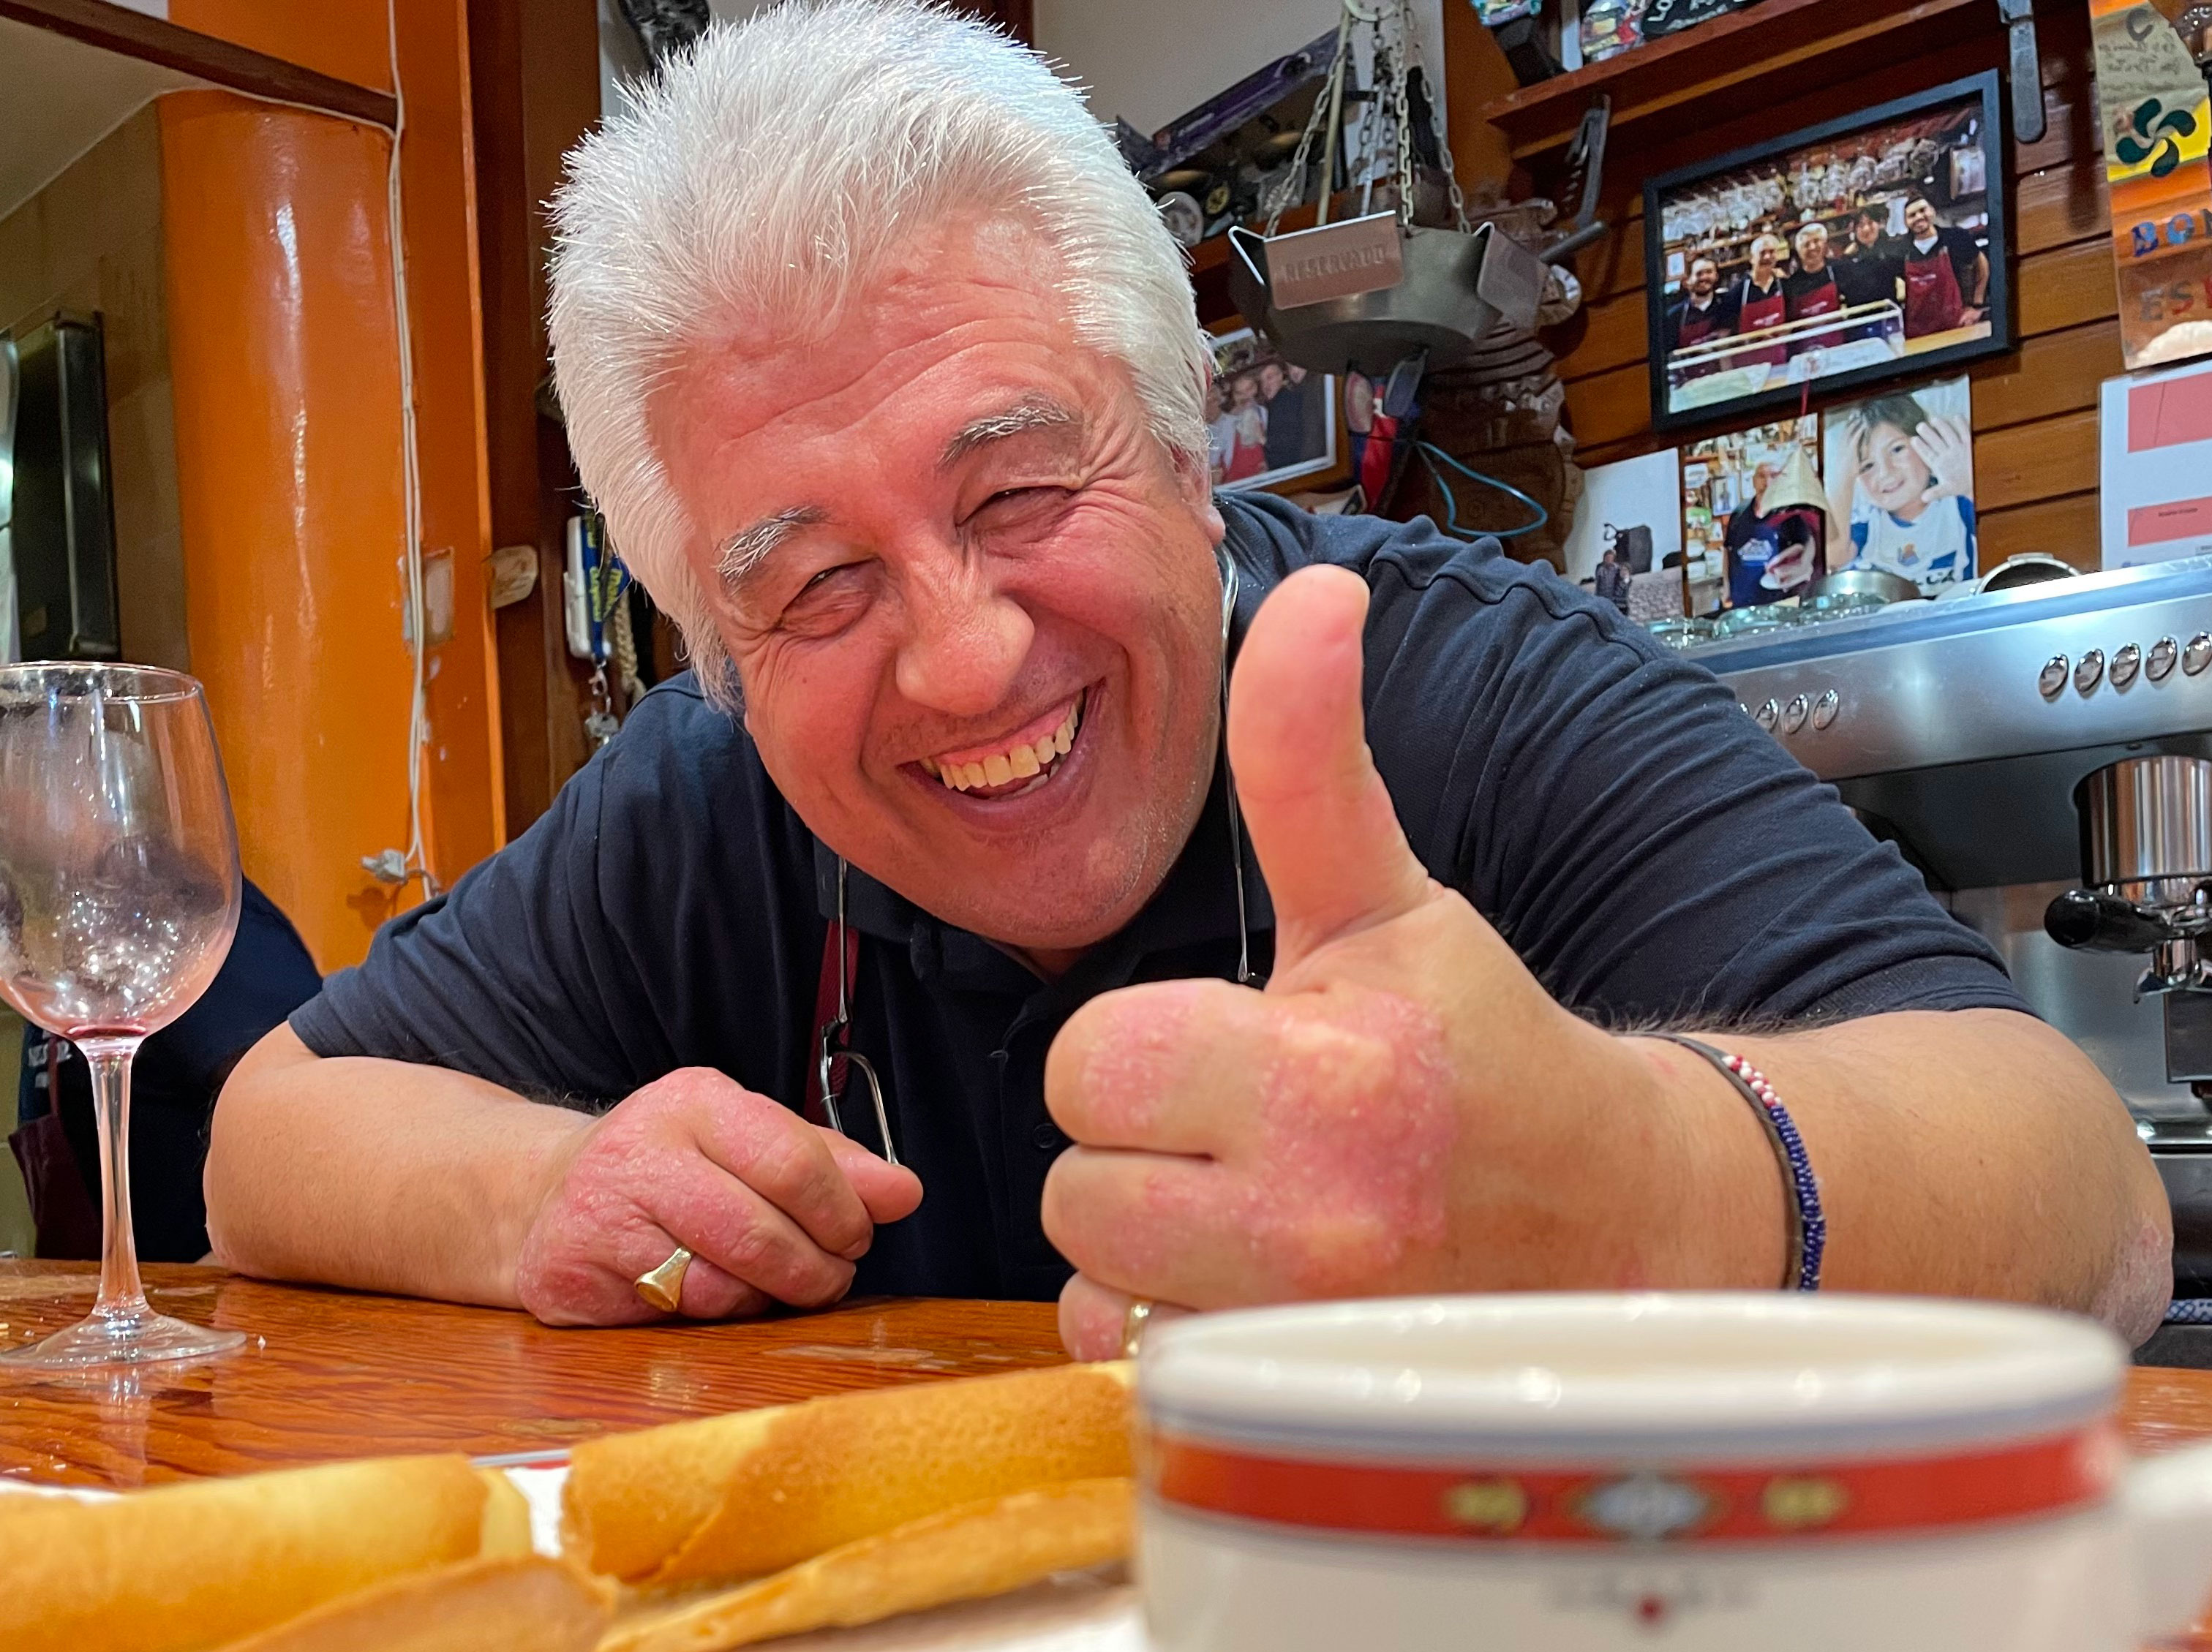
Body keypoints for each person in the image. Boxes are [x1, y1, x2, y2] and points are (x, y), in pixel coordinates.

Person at [203, 0, 2170, 1354]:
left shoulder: (1457, 686)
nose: (964, 655)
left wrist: (1651, 1187)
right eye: (812, 586)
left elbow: (2089, 1199)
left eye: (1018, 488)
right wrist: (552, 1192)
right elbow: (268, 1134)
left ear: (1182, 449)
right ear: (711, 651)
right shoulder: (706, 792)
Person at [14, 879, 319, 1261]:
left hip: (202, 1292)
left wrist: (212, 1280)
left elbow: (308, 1129)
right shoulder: (66, 928)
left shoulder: (198, 921)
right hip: (101, 1291)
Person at [1820, 393, 1976, 589]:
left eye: (1897, 450)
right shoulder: (1868, 525)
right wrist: (1842, 481)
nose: (1886, 472)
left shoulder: (1957, 505)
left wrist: (1968, 486)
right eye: (1867, 466)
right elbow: (1834, 557)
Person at [1900, 195, 1987, 339]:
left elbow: (1981, 264)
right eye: (1912, 215)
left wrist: (1976, 305)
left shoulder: (1956, 237)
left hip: (1958, 326)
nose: (1919, 217)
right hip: (1918, 333)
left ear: (1933, 211)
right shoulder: (1902, 251)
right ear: (1906, 222)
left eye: (1923, 210)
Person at [1733, 233, 1791, 370]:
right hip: (1751, 362)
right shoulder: (1738, 291)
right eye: (1762, 253)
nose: (1767, 257)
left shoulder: (1783, 284)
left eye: (1772, 252)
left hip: (1781, 356)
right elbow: (1730, 333)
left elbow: (1791, 318)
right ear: (1752, 258)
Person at [1834, 208, 1901, 312]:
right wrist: (1845, 256)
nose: (1866, 229)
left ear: (1879, 224)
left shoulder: (1891, 252)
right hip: (1860, 317)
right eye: (1860, 225)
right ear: (1854, 231)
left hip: (1889, 313)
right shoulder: (1846, 260)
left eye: (1870, 223)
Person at [1663, 255, 1733, 355]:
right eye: (1699, 274)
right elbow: (1671, 354)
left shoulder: (1728, 304)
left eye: (1709, 272)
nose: (1704, 277)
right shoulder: (1674, 315)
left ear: (1716, 276)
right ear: (1687, 281)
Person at [1783, 222, 1839, 334]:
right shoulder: (1791, 285)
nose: (1812, 247)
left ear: (1825, 244)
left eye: (1816, 241)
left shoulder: (1840, 270)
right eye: (1806, 244)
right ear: (1798, 252)